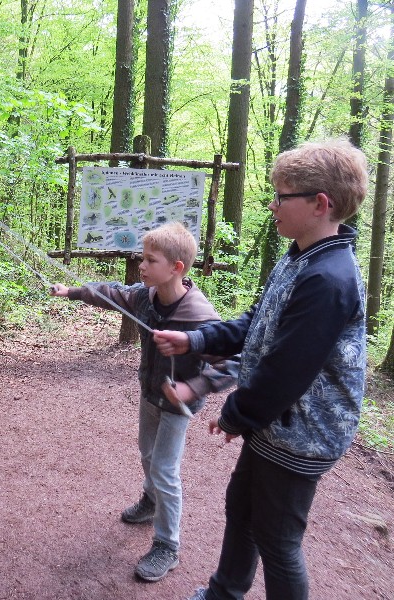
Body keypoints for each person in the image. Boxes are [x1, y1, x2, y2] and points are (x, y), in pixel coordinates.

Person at [153, 139, 368, 600]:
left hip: (303, 433)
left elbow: (287, 369)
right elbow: (258, 323)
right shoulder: (300, 258)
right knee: (243, 508)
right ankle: (224, 592)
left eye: (281, 196)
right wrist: (196, 339)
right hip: (277, 425)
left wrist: (236, 415)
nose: (272, 205)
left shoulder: (329, 279)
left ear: (319, 204)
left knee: (277, 538)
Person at [50, 221, 237, 582]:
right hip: (149, 393)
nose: (142, 265)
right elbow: (109, 293)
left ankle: (167, 546)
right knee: (147, 454)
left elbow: (233, 363)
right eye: (142, 257)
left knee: (165, 470)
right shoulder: (144, 296)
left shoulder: (198, 315)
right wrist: (71, 291)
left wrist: (193, 387)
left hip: (178, 407)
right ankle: (150, 503)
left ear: (176, 268)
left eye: (151, 260)